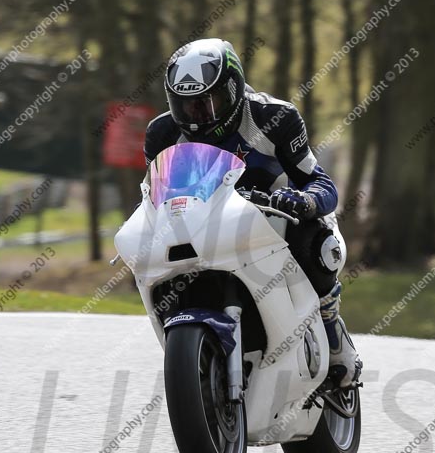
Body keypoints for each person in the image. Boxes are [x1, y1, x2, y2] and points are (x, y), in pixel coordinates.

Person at [144, 38, 362, 389]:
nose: (197, 118)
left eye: (207, 104)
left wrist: (302, 202)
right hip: (205, 225)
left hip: (276, 217)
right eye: (185, 107)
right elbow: (154, 195)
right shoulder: (162, 133)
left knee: (317, 244)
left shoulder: (274, 117)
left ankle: (331, 326)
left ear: (232, 90)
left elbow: (320, 183)